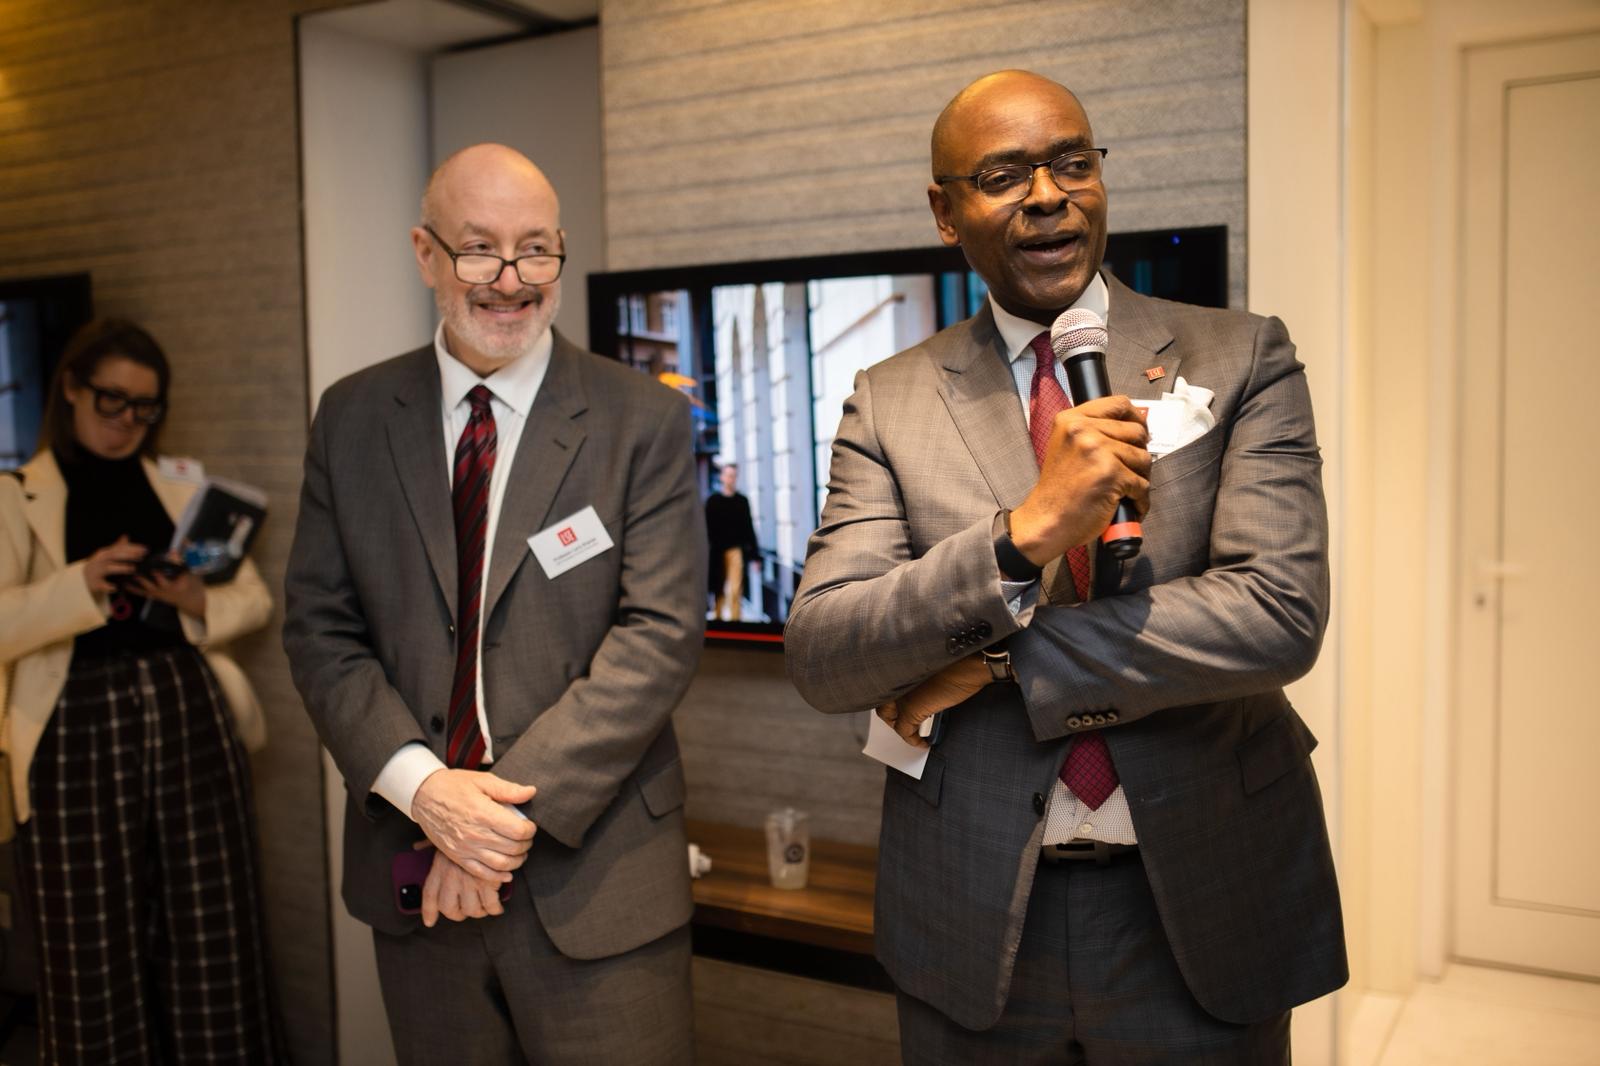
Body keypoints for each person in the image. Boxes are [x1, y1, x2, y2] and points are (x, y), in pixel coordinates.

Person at [785, 71, 1346, 1064]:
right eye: (1003, 175)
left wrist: (1001, 661)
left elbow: (1276, 614)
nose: (1047, 194)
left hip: (1206, 896)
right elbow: (828, 649)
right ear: (944, 210)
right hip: (972, 905)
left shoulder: (1240, 354)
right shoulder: (888, 399)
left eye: (1070, 163)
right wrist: (1021, 536)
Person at [283, 143, 705, 1064]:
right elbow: (321, 628)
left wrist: (486, 827)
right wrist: (426, 791)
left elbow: (660, 636)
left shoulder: (643, 419)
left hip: (594, 881)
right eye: (479, 250)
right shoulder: (351, 417)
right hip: (416, 879)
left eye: (536, 250)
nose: (510, 281)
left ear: (562, 251)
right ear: (426, 254)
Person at [0, 318, 278, 1063]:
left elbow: (251, 598)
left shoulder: (180, 483)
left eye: (144, 408)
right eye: (111, 401)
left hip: (185, 708)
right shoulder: (17, 493)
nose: (126, 422)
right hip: (72, 724)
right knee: (87, 942)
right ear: (70, 388)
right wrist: (78, 584)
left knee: (210, 922)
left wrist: (196, 600)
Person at [705, 462, 759, 621]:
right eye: (728, 475)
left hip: (735, 550)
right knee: (718, 589)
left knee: (736, 590)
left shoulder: (742, 501)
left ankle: (736, 622)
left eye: (734, 476)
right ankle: (718, 619)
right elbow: (706, 529)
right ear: (722, 477)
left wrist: (755, 556)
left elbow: (749, 527)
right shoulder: (712, 501)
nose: (731, 479)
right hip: (716, 551)